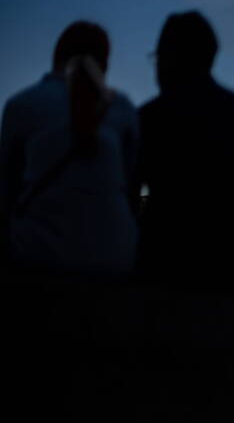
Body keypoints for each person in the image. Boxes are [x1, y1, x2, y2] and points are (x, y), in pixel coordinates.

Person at [0, 21, 139, 279]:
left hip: (36, 254)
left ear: (57, 55)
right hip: (116, 258)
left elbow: (7, 191)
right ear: (104, 66)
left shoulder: (21, 104)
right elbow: (130, 188)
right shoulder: (123, 109)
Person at [137, 11, 234, 295]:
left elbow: (128, 193)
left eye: (159, 57)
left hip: (163, 259)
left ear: (171, 58)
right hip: (226, 262)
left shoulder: (150, 117)